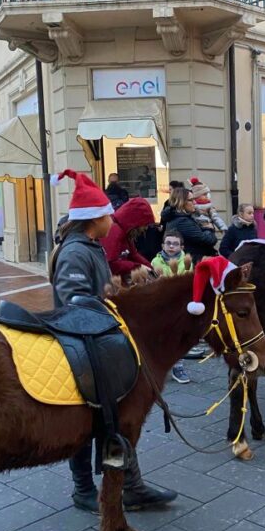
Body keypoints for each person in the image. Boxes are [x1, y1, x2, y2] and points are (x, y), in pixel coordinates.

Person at [49, 169, 177, 513]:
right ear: (94, 219)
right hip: (82, 344)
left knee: (114, 417)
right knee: (98, 418)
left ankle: (129, 485)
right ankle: (85, 489)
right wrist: (111, 306)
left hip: (97, 337)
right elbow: (73, 300)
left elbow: (101, 291)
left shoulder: (88, 245)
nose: (112, 219)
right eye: (107, 214)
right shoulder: (76, 252)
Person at [151, 229, 194, 384]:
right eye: (168, 243)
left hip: (179, 304)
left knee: (178, 336)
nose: (171, 246)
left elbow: (187, 281)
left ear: (181, 247)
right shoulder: (155, 262)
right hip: (161, 305)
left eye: (175, 244)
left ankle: (178, 366)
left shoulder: (187, 261)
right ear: (162, 245)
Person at [99, 197, 156, 283]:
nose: (145, 228)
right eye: (145, 224)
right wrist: (138, 266)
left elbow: (133, 255)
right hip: (110, 282)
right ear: (137, 220)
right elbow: (111, 264)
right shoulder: (115, 230)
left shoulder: (125, 229)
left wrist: (151, 269)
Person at [164, 186, 218, 263]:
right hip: (193, 264)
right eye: (191, 200)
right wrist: (209, 229)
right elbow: (208, 240)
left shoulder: (183, 218)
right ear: (181, 202)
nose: (194, 202)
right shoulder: (182, 221)